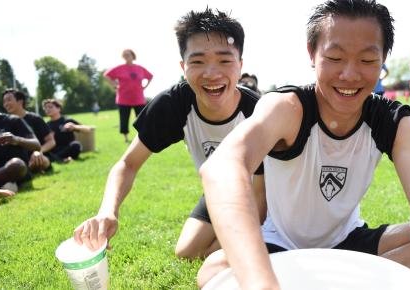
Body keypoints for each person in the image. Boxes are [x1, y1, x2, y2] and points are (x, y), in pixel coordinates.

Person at [197, 1, 410, 289]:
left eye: (367, 60)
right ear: (312, 54)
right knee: (214, 270)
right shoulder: (287, 108)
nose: (350, 74)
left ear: (384, 58)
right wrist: (260, 282)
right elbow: (222, 167)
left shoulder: (393, 121)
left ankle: (314, 282)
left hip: (348, 243)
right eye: (335, 58)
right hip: (279, 244)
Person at [73, 8, 266, 261]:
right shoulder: (173, 105)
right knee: (187, 253)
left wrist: (230, 240)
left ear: (240, 66)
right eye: (197, 61)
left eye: (224, 60)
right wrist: (108, 211)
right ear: (183, 66)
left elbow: (262, 193)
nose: (211, 73)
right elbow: (127, 164)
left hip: (262, 193)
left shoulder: (259, 112)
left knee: (218, 255)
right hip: (221, 188)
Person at [0, 87, 40, 190]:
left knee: (16, 164)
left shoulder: (13, 120)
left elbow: (37, 145)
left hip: (14, 171)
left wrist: (15, 139)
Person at [104, 49, 153, 143]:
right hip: (123, 99)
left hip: (138, 99)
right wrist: (114, 85)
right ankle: (126, 138)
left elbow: (150, 76)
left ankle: (143, 136)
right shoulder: (119, 68)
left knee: (142, 118)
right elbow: (107, 75)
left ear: (133, 56)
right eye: (125, 55)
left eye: (128, 54)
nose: (127, 56)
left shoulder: (140, 68)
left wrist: (145, 86)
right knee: (124, 119)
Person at [3, 89, 56, 172]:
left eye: (9, 100)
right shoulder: (5, 122)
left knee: (41, 161)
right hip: (15, 160)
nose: (6, 104)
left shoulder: (35, 119)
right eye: (4, 101)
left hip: (36, 157)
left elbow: (51, 141)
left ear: (20, 102)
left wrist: (38, 152)